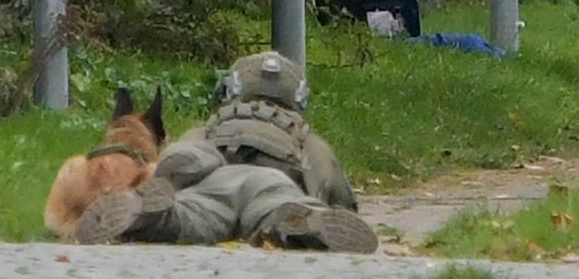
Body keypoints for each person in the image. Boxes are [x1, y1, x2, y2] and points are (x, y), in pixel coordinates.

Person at [74, 51, 378, 254]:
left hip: (213, 178)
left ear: (232, 90)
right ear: (298, 98)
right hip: (270, 183)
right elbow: (335, 190)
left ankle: (150, 214)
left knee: (189, 216)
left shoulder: (213, 126)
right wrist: (330, 206)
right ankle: (300, 220)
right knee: (278, 208)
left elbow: (187, 156)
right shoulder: (306, 139)